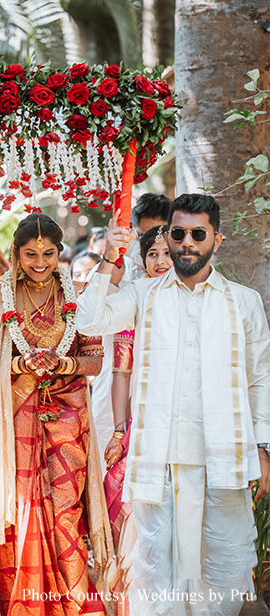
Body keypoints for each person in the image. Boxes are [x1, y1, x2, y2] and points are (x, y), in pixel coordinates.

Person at [76, 193, 270, 615]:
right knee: (152, 571)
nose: (186, 243)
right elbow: (89, 321)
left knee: (223, 565)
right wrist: (110, 255)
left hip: (222, 455)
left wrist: (264, 445)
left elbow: (260, 379)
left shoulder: (243, 302)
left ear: (216, 240)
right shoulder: (144, 294)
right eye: (177, 233)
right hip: (158, 458)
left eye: (197, 234)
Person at [0, 213, 115, 616]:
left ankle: (73, 601)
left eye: (48, 254)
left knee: (66, 512)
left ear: (60, 253)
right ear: (16, 254)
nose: (40, 262)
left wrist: (61, 365)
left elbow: (94, 359)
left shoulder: (79, 294)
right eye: (31, 254)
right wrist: (20, 367)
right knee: (22, 510)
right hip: (14, 416)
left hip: (67, 420)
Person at [103, 225, 173, 615]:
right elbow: (120, 374)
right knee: (134, 514)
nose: (161, 261)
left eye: (167, 253)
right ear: (142, 262)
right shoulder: (135, 304)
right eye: (153, 255)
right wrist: (118, 430)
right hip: (143, 429)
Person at [128, 193, 172, 279]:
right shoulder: (121, 267)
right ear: (132, 229)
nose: (159, 262)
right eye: (144, 237)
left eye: (161, 237)